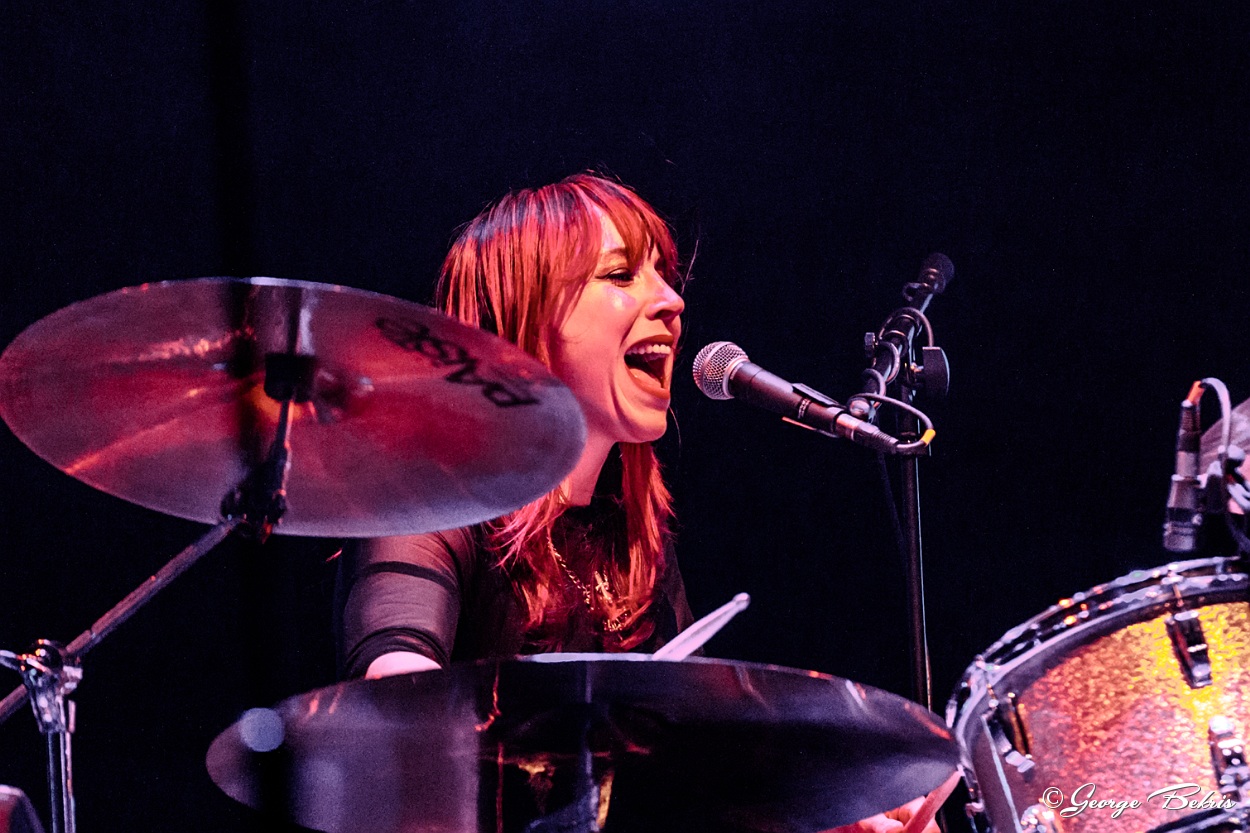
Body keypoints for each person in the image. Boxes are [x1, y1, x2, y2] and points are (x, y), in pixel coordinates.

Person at [336, 172, 939, 833]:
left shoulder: (630, 538)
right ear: (523, 320)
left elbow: (702, 772)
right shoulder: (429, 494)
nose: (672, 301)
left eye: (664, 276)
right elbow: (397, 692)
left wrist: (824, 812)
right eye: (621, 275)